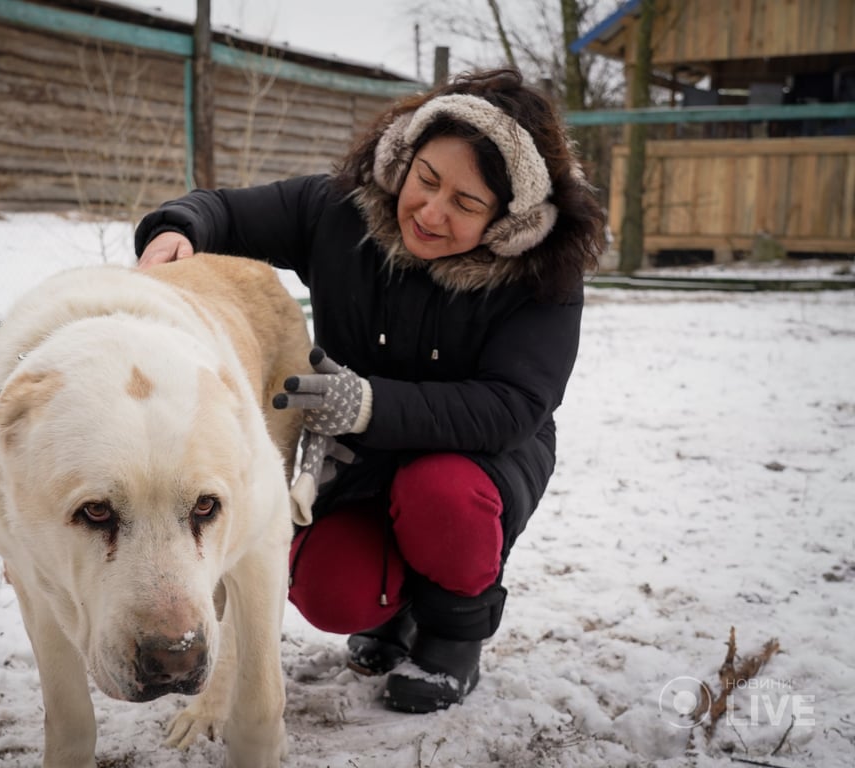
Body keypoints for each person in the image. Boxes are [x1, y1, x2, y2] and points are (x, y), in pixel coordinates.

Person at [134, 68, 605, 713]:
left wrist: (368, 405)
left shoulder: (541, 273)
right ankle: (393, 612)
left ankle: (450, 636)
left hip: (480, 462)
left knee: (440, 494)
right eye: (428, 180)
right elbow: (224, 212)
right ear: (403, 161)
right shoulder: (339, 211)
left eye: (467, 204)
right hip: (358, 455)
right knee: (330, 591)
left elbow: (513, 405)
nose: (432, 213)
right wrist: (178, 229)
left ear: (507, 220)